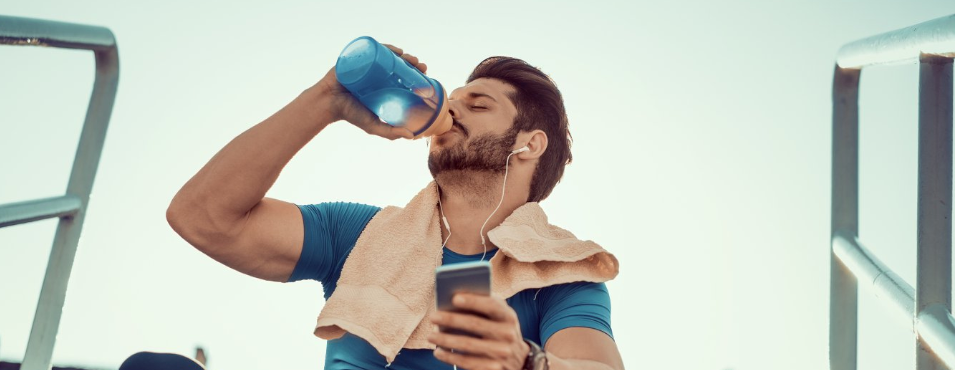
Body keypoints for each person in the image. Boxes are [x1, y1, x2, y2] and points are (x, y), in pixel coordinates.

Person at [167, 43, 625, 370]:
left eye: (477, 104)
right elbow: (202, 217)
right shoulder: (360, 235)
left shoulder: (562, 271)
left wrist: (527, 362)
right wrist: (327, 100)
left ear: (529, 144)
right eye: (451, 100)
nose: (450, 110)